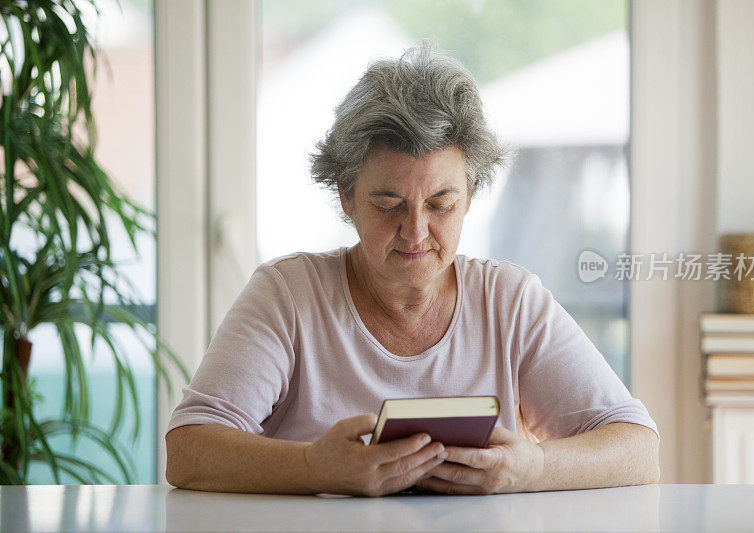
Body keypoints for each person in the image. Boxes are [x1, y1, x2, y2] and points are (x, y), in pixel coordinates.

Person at [165, 41, 660, 497]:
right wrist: (317, 467)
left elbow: (638, 450)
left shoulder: (510, 302)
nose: (416, 232)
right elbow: (187, 451)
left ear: (470, 196)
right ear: (346, 197)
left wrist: (531, 468)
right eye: (388, 204)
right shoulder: (288, 295)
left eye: (441, 203)